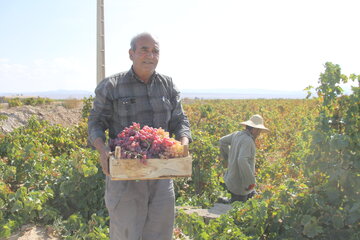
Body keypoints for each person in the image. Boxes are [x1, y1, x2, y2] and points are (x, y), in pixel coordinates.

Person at [88, 32, 191, 240]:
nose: (150, 55)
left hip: (162, 174)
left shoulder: (167, 85)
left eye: (155, 51)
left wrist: (184, 141)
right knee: (126, 233)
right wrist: (102, 150)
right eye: (144, 50)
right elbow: (96, 123)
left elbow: (180, 121)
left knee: (160, 233)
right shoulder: (112, 86)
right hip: (126, 173)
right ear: (131, 54)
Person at [218, 114, 269, 204]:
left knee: (250, 198)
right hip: (241, 185)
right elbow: (242, 160)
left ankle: (228, 200)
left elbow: (222, 141)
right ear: (254, 129)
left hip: (231, 180)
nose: (259, 133)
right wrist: (249, 182)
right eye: (259, 130)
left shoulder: (237, 134)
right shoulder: (248, 141)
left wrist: (229, 158)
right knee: (239, 208)